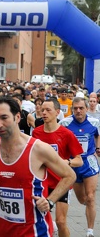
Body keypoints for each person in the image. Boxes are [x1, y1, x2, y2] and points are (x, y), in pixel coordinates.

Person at [0, 96, 76, 237]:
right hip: (3, 230)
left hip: (34, 231)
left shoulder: (38, 149)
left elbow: (70, 175)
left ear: (17, 117)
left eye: (4, 118)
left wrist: (50, 201)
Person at [32, 98, 83, 237]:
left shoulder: (66, 134)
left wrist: (66, 162)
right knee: (40, 220)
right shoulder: (36, 133)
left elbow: (79, 160)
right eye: (42, 110)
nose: (44, 113)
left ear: (57, 112)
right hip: (42, 183)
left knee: (60, 222)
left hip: (61, 183)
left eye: (48, 110)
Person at [59, 97, 100, 237]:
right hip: (73, 164)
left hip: (89, 162)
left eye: (81, 108)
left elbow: (97, 135)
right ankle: (87, 205)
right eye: (75, 108)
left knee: (90, 197)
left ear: (86, 109)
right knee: (82, 199)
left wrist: (98, 147)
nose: (78, 111)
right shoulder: (65, 123)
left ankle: (90, 231)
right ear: (72, 110)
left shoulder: (95, 122)